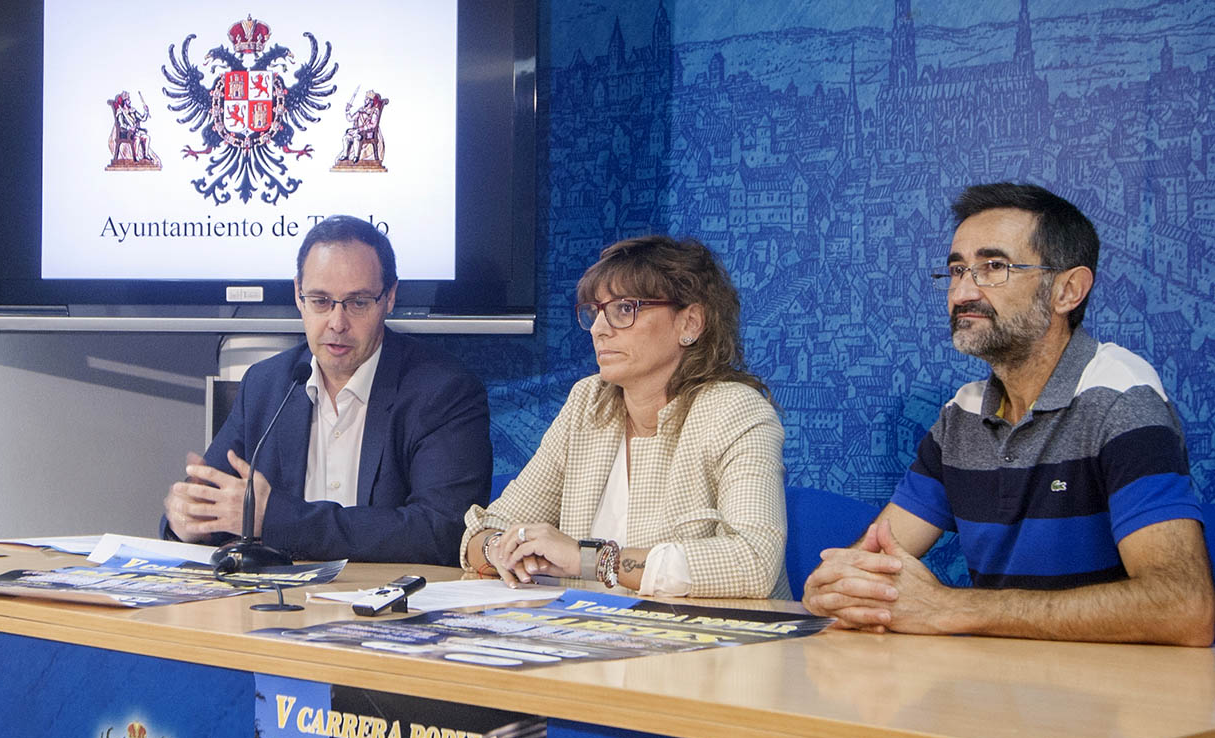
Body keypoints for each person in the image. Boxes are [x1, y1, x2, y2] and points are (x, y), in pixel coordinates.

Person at [802, 183, 1214, 646]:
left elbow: (1184, 607)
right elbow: (871, 558)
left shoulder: (1120, 396)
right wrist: (838, 585)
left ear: (1068, 290)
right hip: (993, 692)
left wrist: (950, 608)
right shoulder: (961, 414)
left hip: (1112, 701)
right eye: (957, 271)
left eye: (992, 267)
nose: (961, 293)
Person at [461, 235, 788, 598]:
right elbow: (487, 530)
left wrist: (589, 560)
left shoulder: (735, 411)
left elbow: (754, 562)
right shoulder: (588, 402)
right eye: (595, 312)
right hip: (589, 641)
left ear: (690, 323)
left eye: (625, 309)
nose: (600, 329)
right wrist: (502, 551)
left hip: (713, 648)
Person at [162, 215, 491, 565]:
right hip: (277, 603)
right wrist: (187, 522)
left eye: (358, 303)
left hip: (388, 608)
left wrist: (278, 520)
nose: (337, 323)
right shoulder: (267, 386)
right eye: (320, 301)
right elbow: (213, 505)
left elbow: (443, 530)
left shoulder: (443, 392)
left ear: (390, 297)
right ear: (297, 295)